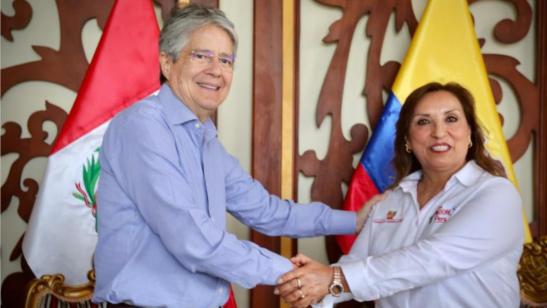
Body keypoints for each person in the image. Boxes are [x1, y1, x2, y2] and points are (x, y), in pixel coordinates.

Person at [92, 4, 373, 308]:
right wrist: (295, 275)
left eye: (226, 60)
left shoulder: (205, 138)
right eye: (201, 56)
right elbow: (193, 240)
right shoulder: (142, 127)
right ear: (167, 62)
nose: (216, 70)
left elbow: (267, 212)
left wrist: (354, 221)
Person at [275, 82, 524, 308]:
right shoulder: (392, 199)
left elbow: (430, 260)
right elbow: (355, 263)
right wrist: (308, 287)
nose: (439, 132)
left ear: (470, 133)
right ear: (407, 140)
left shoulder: (496, 194)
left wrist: (331, 279)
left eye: (451, 119)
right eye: (423, 122)